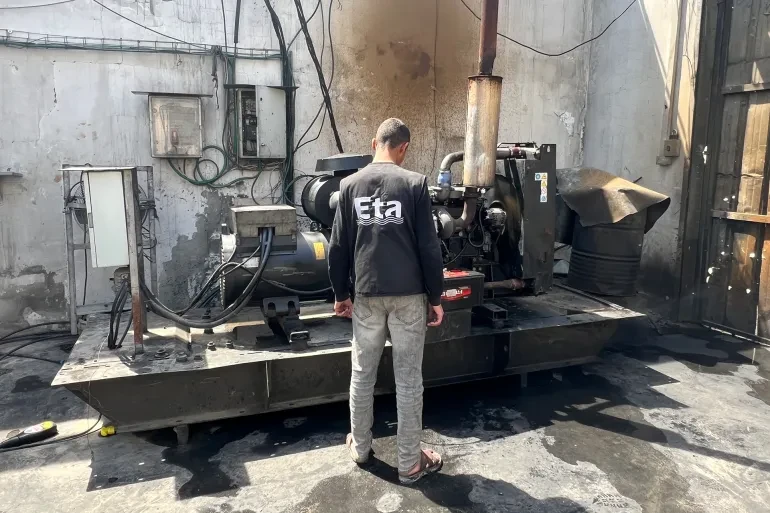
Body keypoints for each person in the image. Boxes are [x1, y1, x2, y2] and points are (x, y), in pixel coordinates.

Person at [328, 118, 445, 485]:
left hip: (366, 295)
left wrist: (341, 294)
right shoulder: (414, 184)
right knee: (409, 379)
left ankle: (361, 449)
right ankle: (410, 464)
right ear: (403, 148)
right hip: (409, 296)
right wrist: (436, 297)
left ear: (373, 142)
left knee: (363, 373)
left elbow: (337, 248)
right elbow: (429, 248)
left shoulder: (349, 185)